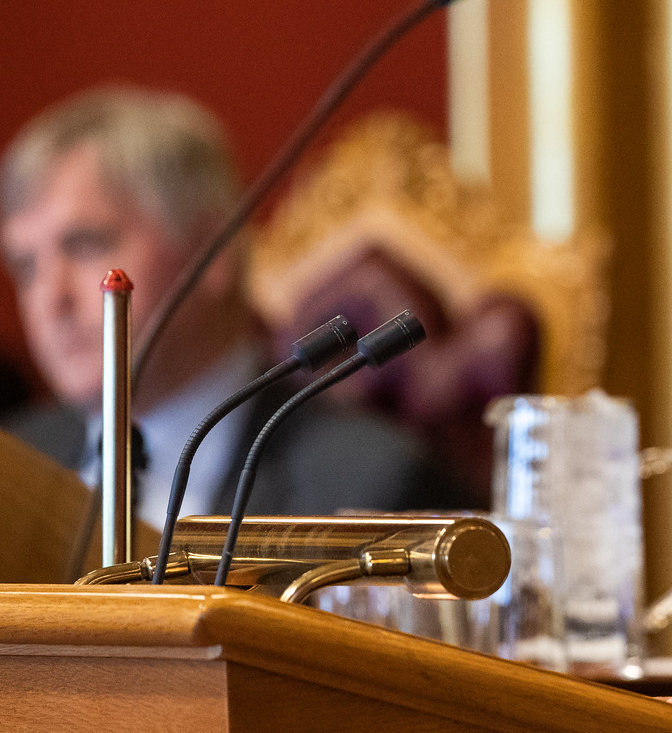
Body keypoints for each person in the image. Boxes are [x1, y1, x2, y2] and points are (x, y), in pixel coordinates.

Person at [1, 87, 447, 544]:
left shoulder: (368, 487)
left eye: (85, 244)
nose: (49, 298)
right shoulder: (11, 467)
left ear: (211, 254)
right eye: (26, 267)